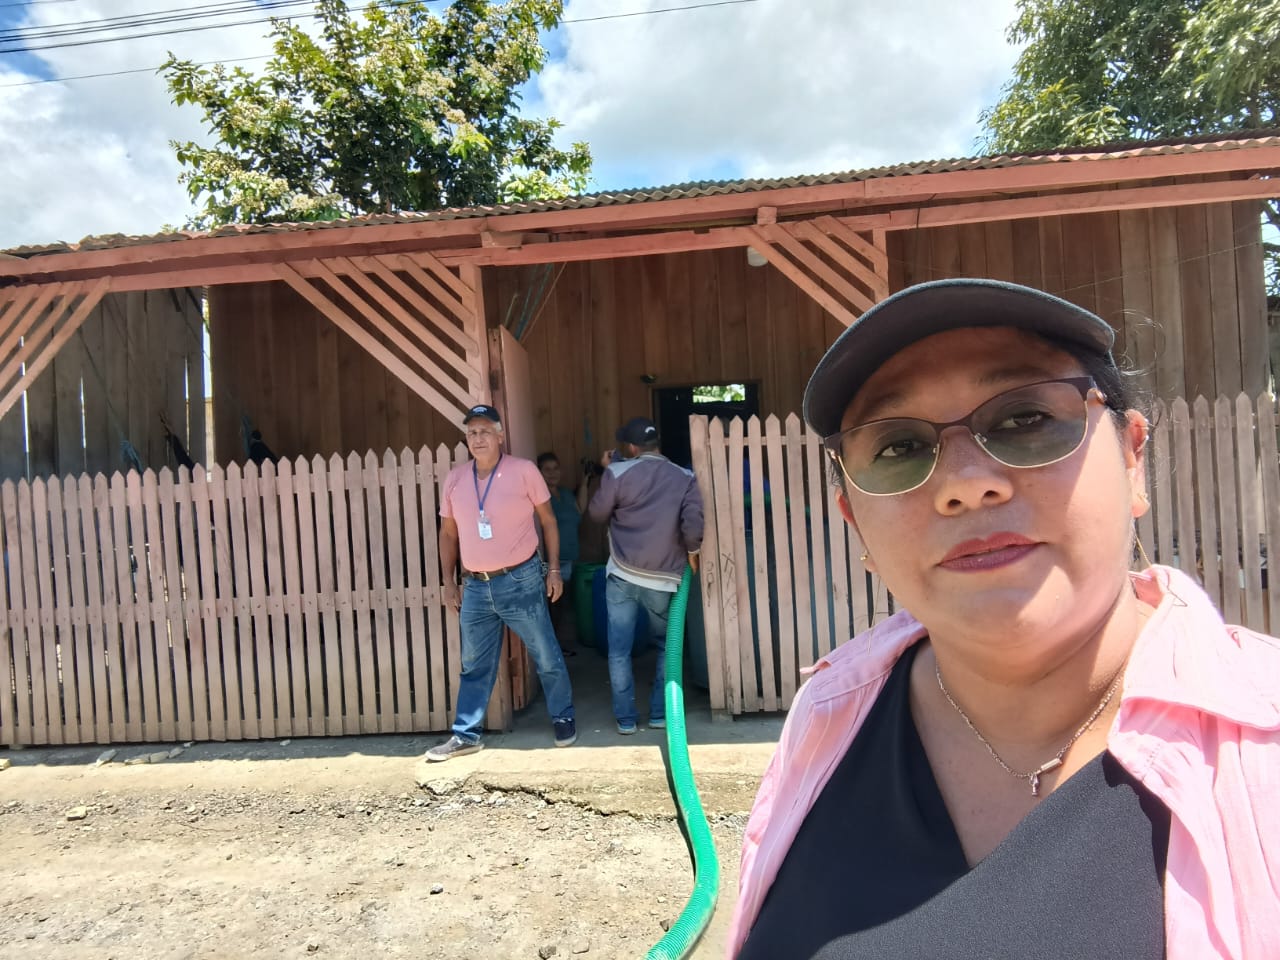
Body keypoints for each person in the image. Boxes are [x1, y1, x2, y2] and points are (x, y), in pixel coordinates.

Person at [728, 279, 1280, 959]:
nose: (966, 484)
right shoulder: (830, 713)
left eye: (1024, 419)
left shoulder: (1266, 745)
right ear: (856, 524)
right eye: (899, 447)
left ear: (1133, 457)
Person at [424, 404, 577, 761]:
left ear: (500, 436)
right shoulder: (455, 480)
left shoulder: (524, 471)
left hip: (520, 579)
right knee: (474, 663)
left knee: (545, 653)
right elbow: (448, 534)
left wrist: (554, 570)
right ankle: (466, 735)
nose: (478, 438)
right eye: (472, 433)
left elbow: (548, 521)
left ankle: (563, 716)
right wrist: (448, 581)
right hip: (475, 585)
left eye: (485, 431)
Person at [587, 417, 704, 735]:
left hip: (622, 574)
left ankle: (626, 719)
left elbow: (597, 513)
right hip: (663, 578)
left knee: (619, 650)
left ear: (631, 447)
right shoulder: (684, 476)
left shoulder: (617, 472)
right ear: (657, 443)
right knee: (667, 646)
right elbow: (693, 524)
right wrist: (693, 551)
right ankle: (659, 714)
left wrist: (607, 471)